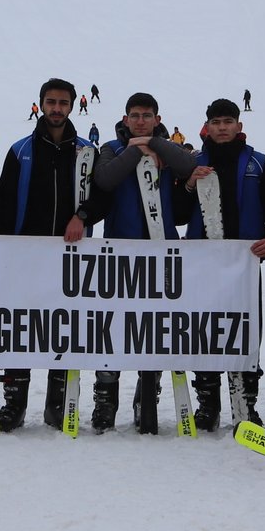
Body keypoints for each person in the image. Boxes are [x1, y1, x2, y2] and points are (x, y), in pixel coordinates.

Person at [72, 93, 199, 432]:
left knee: (155, 327)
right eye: (135, 116)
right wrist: (136, 149)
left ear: (157, 119)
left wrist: (154, 145)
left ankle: (147, 393)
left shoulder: (168, 150)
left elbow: (189, 165)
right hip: (120, 251)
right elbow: (105, 178)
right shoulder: (112, 148)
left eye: (147, 116)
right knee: (111, 328)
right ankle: (105, 398)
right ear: (125, 119)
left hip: (162, 250)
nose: (140, 120)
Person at [0, 79, 94, 429]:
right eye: (50, 102)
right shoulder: (21, 150)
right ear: (40, 104)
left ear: (71, 106)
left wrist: (81, 217)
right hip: (26, 253)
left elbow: (99, 197)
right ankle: (14, 403)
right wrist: (3, 247)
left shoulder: (85, 151)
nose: (56, 108)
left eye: (63, 103)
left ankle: (58, 403)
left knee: (63, 328)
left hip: (70, 254)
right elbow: (4, 202)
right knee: (21, 327)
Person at [184, 98, 265, 427]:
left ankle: (245, 402)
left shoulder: (258, 163)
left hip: (244, 264)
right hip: (204, 262)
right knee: (204, 331)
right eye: (216, 122)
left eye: (228, 121)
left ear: (239, 126)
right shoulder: (194, 162)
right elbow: (177, 212)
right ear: (207, 127)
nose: (222, 127)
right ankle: (208, 403)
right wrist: (187, 183)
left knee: (246, 330)